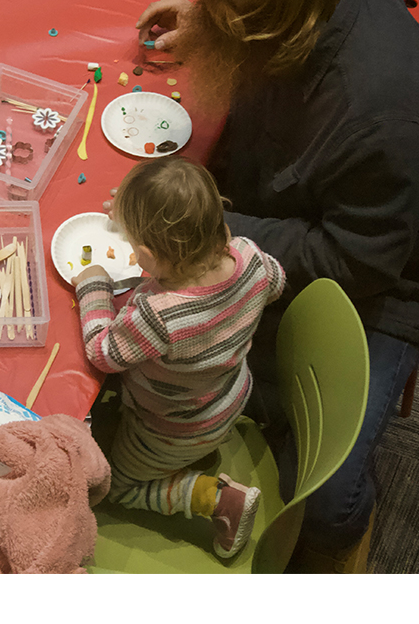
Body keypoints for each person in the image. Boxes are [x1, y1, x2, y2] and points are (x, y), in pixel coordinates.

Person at [134, 0, 419, 572]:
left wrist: (217, 235)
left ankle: (341, 547)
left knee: (323, 495)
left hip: (379, 293)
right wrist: (213, 22)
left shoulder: (384, 107)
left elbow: (360, 261)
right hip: (277, 214)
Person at [73, 156, 286, 559]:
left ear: (147, 257)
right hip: (231, 398)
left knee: (116, 488)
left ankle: (213, 498)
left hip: (172, 427)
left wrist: (94, 287)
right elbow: (276, 281)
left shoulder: (160, 315)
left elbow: (103, 352)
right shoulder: (250, 256)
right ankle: (191, 461)